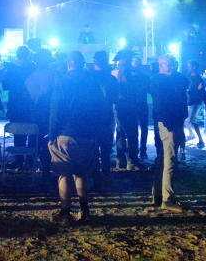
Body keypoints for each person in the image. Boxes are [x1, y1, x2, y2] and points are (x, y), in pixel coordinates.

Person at [48, 51, 101, 224]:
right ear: (82, 63)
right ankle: (84, 211)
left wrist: (52, 134)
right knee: (81, 174)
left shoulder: (62, 81)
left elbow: (56, 110)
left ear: (69, 64)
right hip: (86, 134)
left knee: (64, 174)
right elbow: (98, 109)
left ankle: (65, 211)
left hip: (65, 133)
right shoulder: (92, 82)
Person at [149, 54, 189, 211]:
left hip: (171, 122)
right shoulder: (160, 81)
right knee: (170, 160)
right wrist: (169, 123)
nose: (174, 66)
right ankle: (167, 198)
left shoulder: (167, 80)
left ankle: (158, 194)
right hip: (170, 124)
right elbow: (161, 104)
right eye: (171, 64)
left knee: (164, 159)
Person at [91, 50, 118, 191]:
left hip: (92, 118)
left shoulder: (88, 78)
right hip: (107, 117)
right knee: (106, 150)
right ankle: (106, 177)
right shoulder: (111, 79)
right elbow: (114, 98)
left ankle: (96, 179)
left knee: (94, 150)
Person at [1, 45, 35, 157]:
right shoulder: (32, 66)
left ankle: (18, 160)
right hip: (30, 103)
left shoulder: (11, 67)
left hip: (15, 103)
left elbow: (5, 85)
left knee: (18, 132)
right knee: (31, 130)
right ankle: (30, 161)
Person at [113, 56, 142, 170]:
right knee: (132, 134)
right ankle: (132, 160)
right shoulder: (133, 77)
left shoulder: (115, 76)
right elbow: (136, 93)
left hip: (119, 107)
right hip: (130, 107)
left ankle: (121, 159)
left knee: (120, 133)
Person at [129, 56, 151, 160]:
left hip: (141, 105)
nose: (136, 64)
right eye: (135, 62)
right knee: (134, 129)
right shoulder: (129, 76)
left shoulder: (143, 77)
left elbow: (150, 90)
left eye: (137, 62)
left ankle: (142, 150)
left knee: (142, 128)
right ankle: (137, 151)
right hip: (134, 106)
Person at [185, 60, 206, 149]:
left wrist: (190, 91)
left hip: (196, 102)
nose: (188, 67)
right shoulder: (189, 76)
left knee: (192, 120)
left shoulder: (198, 78)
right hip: (190, 101)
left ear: (194, 67)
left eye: (189, 66)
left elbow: (199, 90)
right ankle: (191, 134)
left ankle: (200, 140)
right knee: (187, 120)